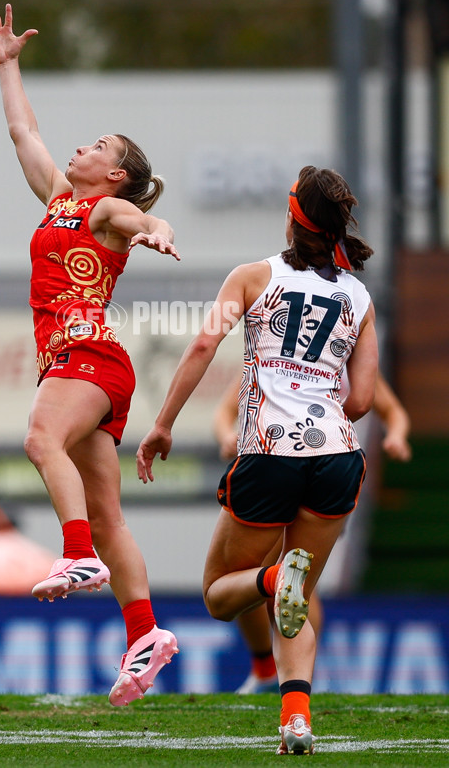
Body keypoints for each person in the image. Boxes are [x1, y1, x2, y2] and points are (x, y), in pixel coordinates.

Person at [0, 3, 180, 706]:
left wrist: (155, 230)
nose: (82, 147)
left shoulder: (105, 211)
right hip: (89, 366)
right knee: (109, 513)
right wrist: (8, 63)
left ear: (114, 174)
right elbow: (22, 131)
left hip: (87, 355)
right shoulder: (60, 198)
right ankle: (145, 634)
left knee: (39, 439)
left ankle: (77, 555)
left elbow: (144, 216)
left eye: (98, 145)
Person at [137, 165, 378, 754]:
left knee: (220, 593)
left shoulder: (252, 277)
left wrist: (162, 424)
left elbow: (203, 344)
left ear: (292, 220)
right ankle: (296, 720)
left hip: (271, 453)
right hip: (338, 457)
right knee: (297, 602)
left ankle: (272, 578)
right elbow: (362, 401)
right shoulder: (358, 296)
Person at [214, 368, 412, 695]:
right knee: (262, 573)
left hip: (319, 469)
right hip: (287, 464)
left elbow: (391, 411)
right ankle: (269, 668)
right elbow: (225, 411)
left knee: (292, 580)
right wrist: (227, 436)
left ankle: (292, 673)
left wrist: (396, 436)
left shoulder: (347, 362)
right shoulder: (275, 356)